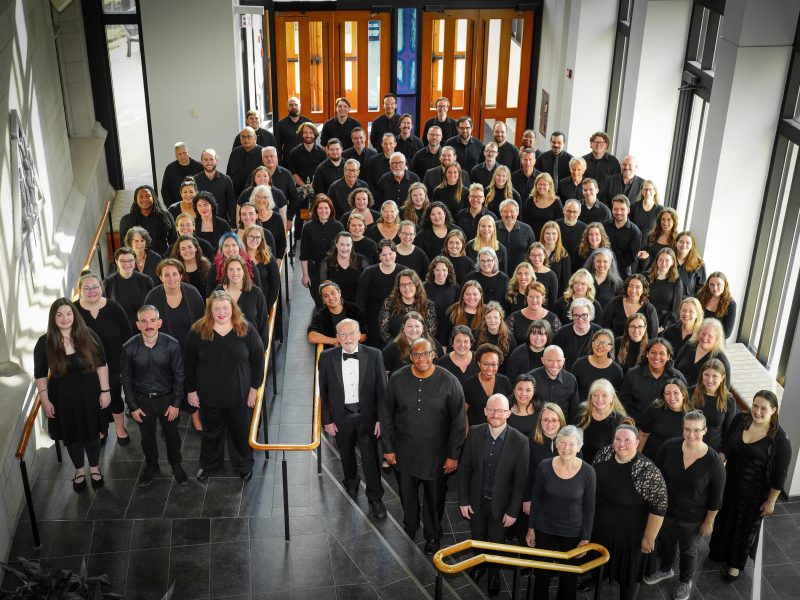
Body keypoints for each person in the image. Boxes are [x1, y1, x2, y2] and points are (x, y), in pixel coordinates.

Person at [381, 337, 466, 554]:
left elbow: (458, 422)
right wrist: (388, 449)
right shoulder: (397, 379)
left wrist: (453, 456)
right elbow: (386, 416)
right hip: (403, 452)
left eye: (425, 353)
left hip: (436, 455)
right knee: (407, 495)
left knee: (434, 498)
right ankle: (409, 526)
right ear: (410, 356)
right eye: (416, 354)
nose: (421, 359)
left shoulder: (449, 381)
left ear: (433, 354)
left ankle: (432, 535)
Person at [709, 391, 791, 582]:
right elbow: (727, 446)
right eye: (755, 405)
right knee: (724, 519)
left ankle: (735, 566)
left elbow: (780, 475)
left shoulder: (780, 439)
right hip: (729, 484)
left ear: (774, 411)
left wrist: (771, 501)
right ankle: (719, 552)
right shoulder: (740, 419)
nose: (758, 411)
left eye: (764, 408)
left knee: (743, 530)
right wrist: (717, 464)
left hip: (754, 494)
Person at [185, 291, 264, 480]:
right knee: (210, 432)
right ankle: (209, 464)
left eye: (225, 308)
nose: (222, 312)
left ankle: (243, 465)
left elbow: (258, 359)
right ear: (210, 310)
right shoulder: (197, 331)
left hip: (240, 394)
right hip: (209, 395)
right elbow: (188, 363)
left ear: (233, 308)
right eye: (217, 309)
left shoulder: (246, 329)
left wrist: (254, 388)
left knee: (240, 431)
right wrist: (191, 391)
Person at [34, 299, 110, 492]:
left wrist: (105, 391)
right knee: (72, 436)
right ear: (53, 318)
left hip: (90, 395)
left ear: (74, 315)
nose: (65, 318)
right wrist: (44, 399)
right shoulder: (44, 342)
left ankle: (94, 468)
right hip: (62, 399)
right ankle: (78, 470)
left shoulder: (88, 335)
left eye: (68, 313)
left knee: (93, 434)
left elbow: (102, 364)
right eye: (59, 315)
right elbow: (40, 374)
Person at [648, 410, 725, 600]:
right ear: (682, 429)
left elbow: (716, 498)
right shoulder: (669, 447)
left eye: (697, 430)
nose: (691, 435)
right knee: (666, 543)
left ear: (705, 430)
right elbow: (657, 477)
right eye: (687, 429)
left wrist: (709, 521)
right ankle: (666, 569)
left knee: (688, 551)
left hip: (693, 518)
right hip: (666, 512)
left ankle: (685, 581)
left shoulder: (714, 463)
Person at [459, 393, 529, 598]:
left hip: (502, 506)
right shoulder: (474, 432)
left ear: (508, 413)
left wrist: (513, 511)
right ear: (485, 412)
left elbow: (520, 481)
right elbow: (465, 469)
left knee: (496, 542)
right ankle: (479, 565)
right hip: (476, 502)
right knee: (477, 537)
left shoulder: (520, 441)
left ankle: (493, 574)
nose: (495, 414)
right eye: (491, 410)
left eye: (500, 410)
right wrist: (463, 500)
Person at [319, 319, 388, 519]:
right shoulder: (326, 357)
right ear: (338, 338)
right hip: (341, 418)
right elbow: (323, 392)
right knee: (345, 454)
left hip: (367, 417)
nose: (348, 338)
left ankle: (375, 498)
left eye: (352, 334)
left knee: (371, 459)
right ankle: (351, 481)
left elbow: (382, 391)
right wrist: (327, 420)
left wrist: (380, 420)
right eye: (343, 334)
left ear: (359, 335)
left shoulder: (375, 355)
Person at [591, 424, 667, 600]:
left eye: (627, 440)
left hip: (631, 537)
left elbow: (659, 507)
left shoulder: (647, 471)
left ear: (637, 442)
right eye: (618, 439)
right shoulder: (604, 453)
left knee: (628, 580)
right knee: (599, 567)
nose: (621, 444)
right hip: (601, 529)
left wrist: (649, 538)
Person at [121, 305, 188, 486]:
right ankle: (152, 467)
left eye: (152, 320)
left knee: (172, 436)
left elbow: (179, 376)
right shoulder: (128, 348)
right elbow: (126, 379)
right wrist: (132, 406)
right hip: (143, 402)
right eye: (144, 321)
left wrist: (176, 403)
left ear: (160, 323)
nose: (148, 325)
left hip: (168, 400)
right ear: (138, 325)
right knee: (147, 438)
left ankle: (177, 466)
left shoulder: (172, 345)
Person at [527, 425, 595, 600]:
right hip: (545, 528)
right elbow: (536, 499)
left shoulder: (588, 472)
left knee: (569, 576)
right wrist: (531, 528)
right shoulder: (544, 466)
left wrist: (586, 538)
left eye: (572, 444)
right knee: (541, 573)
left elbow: (589, 507)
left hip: (572, 532)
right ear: (556, 445)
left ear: (579, 447)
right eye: (562, 443)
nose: (566, 448)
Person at [75, 272, 131, 446]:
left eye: (95, 287)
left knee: (114, 396)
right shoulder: (73, 311)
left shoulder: (114, 307)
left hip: (114, 364)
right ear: (80, 290)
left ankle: (120, 429)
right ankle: (101, 429)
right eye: (87, 288)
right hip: (86, 367)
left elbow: (128, 336)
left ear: (101, 287)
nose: (91, 291)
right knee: (93, 400)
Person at [619, 338, 686, 423]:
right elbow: (622, 403)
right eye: (653, 352)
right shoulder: (632, 374)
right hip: (636, 426)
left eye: (662, 353)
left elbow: (685, 404)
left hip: (667, 427)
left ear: (668, 356)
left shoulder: (677, 377)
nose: (657, 357)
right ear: (647, 354)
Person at [144, 258, 205, 350]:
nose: (171, 278)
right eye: (166, 275)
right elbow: (147, 327)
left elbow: (202, 323)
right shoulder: (152, 297)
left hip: (191, 349)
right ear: (161, 277)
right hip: (162, 350)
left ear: (180, 276)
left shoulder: (193, 293)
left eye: (175, 274)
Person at [300, 194, 344, 307]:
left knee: (334, 300)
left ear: (331, 210)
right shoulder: (308, 227)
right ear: (316, 210)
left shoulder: (338, 226)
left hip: (334, 268)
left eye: (326, 208)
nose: (323, 211)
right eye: (320, 208)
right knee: (319, 301)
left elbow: (344, 250)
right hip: (314, 270)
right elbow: (304, 254)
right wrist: (305, 275)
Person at [217, 255, 270, 349]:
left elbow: (263, 323)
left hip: (251, 346)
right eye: (231, 269)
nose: (235, 273)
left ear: (244, 271)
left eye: (238, 269)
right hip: (225, 347)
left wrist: (262, 349)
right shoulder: (218, 293)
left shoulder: (256, 292)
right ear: (226, 272)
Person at [356, 239, 400, 348]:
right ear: (379, 256)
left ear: (396, 253)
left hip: (397, 316)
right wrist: (361, 322)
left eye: (390, 253)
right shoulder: (369, 272)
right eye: (383, 254)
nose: (388, 257)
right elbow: (360, 298)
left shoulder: (403, 271)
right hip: (373, 319)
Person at [577, 379, 631, 465]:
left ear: (612, 398)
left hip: (606, 466)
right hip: (581, 463)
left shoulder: (619, 419)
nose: (599, 399)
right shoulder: (582, 412)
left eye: (604, 395)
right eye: (595, 395)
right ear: (591, 397)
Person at [688, 358, 737, 451]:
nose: (710, 380)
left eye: (715, 376)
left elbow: (728, 431)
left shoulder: (729, 400)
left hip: (713, 450)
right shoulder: (690, 392)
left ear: (722, 378)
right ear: (701, 375)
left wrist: (723, 452)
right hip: (689, 445)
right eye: (706, 375)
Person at [378, 268, 436, 344]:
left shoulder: (428, 305)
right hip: (395, 347)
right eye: (402, 285)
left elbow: (430, 334)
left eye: (410, 284)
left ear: (416, 285)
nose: (406, 288)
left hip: (420, 349)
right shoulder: (389, 302)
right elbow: (383, 331)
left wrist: (416, 348)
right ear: (398, 287)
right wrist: (397, 346)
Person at [638, 379, 691, 460]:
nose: (672, 397)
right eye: (667, 393)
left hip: (674, 462)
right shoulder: (655, 408)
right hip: (650, 459)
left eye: (676, 393)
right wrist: (637, 458)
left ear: (684, 394)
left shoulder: (692, 416)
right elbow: (643, 436)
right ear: (664, 396)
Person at [462, 344, 512, 427]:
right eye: (485, 364)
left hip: (499, 431)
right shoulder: (469, 384)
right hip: (476, 433)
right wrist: (467, 434)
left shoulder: (505, 381)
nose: (490, 368)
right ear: (479, 364)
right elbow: (463, 413)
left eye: (494, 364)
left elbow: (510, 409)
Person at [119, 184, 177, 256]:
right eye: (141, 196)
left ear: (153, 197)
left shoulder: (165, 215)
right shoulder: (126, 219)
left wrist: (170, 257)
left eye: (148, 196)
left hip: (163, 259)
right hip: (136, 260)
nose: (144, 199)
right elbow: (124, 245)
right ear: (135, 199)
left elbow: (174, 240)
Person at [104, 246, 156, 327]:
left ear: (135, 261)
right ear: (116, 261)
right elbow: (106, 308)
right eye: (122, 261)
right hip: (119, 325)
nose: (127, 264)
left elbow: (153, 306)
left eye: (130, 261)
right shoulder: (108, 282)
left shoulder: (146, 280)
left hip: (143, 325)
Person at [674, 317, 731, 386]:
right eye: (703, 334)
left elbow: (725, 390)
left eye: (710, 336)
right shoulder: (689, 345)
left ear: (717, 339)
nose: (705, 338)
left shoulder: (721, 360)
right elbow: (675, 367)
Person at [308, 281, 367, 347]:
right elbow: (312, 336)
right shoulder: (320, 315)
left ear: (339, 293)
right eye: (326, 296)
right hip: (332, 352)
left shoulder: (354, 310)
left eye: (333, 293)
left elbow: (364, 335)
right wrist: (336, 340)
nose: (331, 298)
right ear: (323, 300)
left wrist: (346, 342)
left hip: (355, 349)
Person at [571, 328, 624, 401]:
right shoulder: (579, 364)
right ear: (592, 343)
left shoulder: (616, 370)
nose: (600, 345)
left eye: (605, 343)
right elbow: (571, 391)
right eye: (597, 342)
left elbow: (616, 398)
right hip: (581, 409)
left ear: (610, 347)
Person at [602, 273, 659, 339]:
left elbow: (653, 337)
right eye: (630, 286)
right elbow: (604, 328)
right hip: (615, 346)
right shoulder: (615, 302)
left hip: (640, 348)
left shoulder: (649, 309)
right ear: (626, 287)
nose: (633, 290)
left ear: (643, 290)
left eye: (637, 287)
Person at [206, 232, 263, 296]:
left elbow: (259, 291)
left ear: (239, 247)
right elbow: (209, 295)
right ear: (221, 249)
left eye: (234, 245)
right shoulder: (215, 267)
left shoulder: (250, 264)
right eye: (226, 245)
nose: (230, 249)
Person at [553, 297, 601, 370]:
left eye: (584, 315)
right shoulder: (562, 333)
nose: (580, 319)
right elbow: (554, 357)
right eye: (576, 315)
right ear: (571, 316)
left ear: (590, 315)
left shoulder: (599, 332)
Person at [319, 231, 367, 303]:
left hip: (357, 305)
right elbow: (324, 289)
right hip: (335, 305)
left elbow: (368, 286)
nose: (345, 248)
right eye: (342, 244)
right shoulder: (326, 262)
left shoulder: (362, 261)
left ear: (352, 245)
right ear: (336, 244)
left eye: (348, 245)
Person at [508, 281, 561, 345]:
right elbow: (508, 342)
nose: (534, 300)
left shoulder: (553, 318)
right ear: (526, 297)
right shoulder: (514, 317)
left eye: (537, 297)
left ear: (543, 297)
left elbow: (558, 343)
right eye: (531, 296)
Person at [424, 256, 460, 348]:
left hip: (449, 331)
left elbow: (458, 311)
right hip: (429, 332)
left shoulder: (455, 287)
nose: (441, 273)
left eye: (444, 270)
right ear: (432, 271)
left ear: (449, 271)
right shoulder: (425, 287)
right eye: (437, 270)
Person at [194, 149, 236, 225]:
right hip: (201, 224)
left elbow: (231, 205)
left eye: (211, 159)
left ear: (216, 160)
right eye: (206, 160)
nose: (209, 162)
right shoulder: (194, 180)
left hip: (222, 223)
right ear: (201, 162)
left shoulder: (226, 180)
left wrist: (233, 224)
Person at [646, 247, 684, 330]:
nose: (663, 263)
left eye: (667, 260)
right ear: (656, 261)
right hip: (644, 319)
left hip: (662, 325)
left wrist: (663, 326)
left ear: (672, 262)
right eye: (661, 260)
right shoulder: (646, 277)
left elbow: (675, 310)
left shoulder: (677, 282)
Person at [605, 195, 642, 276]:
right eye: (616, 209)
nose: (618, 212)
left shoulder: (635, 232)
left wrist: (613, 266)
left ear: (628, 210)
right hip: (603, 268)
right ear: (612, 210)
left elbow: (631, 257)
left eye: (622, 209)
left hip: (622, 272)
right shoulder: (604, 227)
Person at [497, 199, 536, 273]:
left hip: (521, 274)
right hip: (496, 272)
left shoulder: (527, 229)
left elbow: (533, 252)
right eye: (505, 211)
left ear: (517, 212)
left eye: (512, 211)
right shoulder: (492, 228)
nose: (508, 214)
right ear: (501, 213)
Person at [161, 142, 202, 208]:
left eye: (184, 153)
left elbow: (204, 188)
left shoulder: (199, 166)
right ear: (175, 155)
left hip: (197, 207)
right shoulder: (170, 168)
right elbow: (165, 190)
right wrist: (171, 207)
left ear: (188, 152)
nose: (182, 156)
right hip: (177, 208)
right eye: (179, 154)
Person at [522, 173, 563, 238]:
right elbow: (525, 221)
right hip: (532, 236)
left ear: (550, 186)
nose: (541, 187)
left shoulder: (556, 201)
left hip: (550, 237)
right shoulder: (530, 200)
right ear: (536, 185)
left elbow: (559, 224)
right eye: (539, 184)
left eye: (544, 184)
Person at [697, 271, 737, 338]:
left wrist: (707, 337)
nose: (715, 288)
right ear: (708, 285)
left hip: (717, 342)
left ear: (725, 285)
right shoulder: (699, 297)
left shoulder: (731, 304)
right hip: (698, 337)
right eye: (712, 285)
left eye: (719, 284)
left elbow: (727, 333)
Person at [226, 126, 264, 197]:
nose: (246, 139)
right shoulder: (235, 152)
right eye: (243, 137)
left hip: (258, 193)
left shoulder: (263, 152)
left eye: (249, 136)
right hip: (237, 193)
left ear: (255, 138)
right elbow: (229, 173)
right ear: (240, 140)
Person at [475, 302, 517, 366]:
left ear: (500, 318)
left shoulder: (509, 337)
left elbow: (513, 361)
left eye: (495, 317)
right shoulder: (477, 334)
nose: (492, 321)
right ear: (484, 319)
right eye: (489, 317)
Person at [274, 96, 312, 161]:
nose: (293, 107)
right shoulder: (281, 124)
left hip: (306, 158)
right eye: (291, 105)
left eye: (296, 105)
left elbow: (312, 141)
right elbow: (278, 144)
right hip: (288, 159)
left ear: (300, 106)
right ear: (287, 107)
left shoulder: (308, 122)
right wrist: (278, 160)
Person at [540, 221, 572, 293]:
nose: (551, 236)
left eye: (554, 233)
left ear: (558, 235)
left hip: (556, 294)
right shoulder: (536, 251)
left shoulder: (564, 254)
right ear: (543, 234)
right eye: (547, 233)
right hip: (536, 294)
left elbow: (566, 281)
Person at [526, 242, 559, 309]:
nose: (536, 258)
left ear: (544, 256)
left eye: (539, 255)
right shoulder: (525, 272)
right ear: (529, 256)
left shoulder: (552, 275)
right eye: (533, 255)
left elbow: (553, 302)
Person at [675, 231, 707, 298]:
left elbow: (701, 288)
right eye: (681, 241)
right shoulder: (668, 259)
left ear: (692, 246)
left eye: (688, 243)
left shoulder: (699, 264)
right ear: (676, 243)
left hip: (686, 303)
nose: (684, 245)